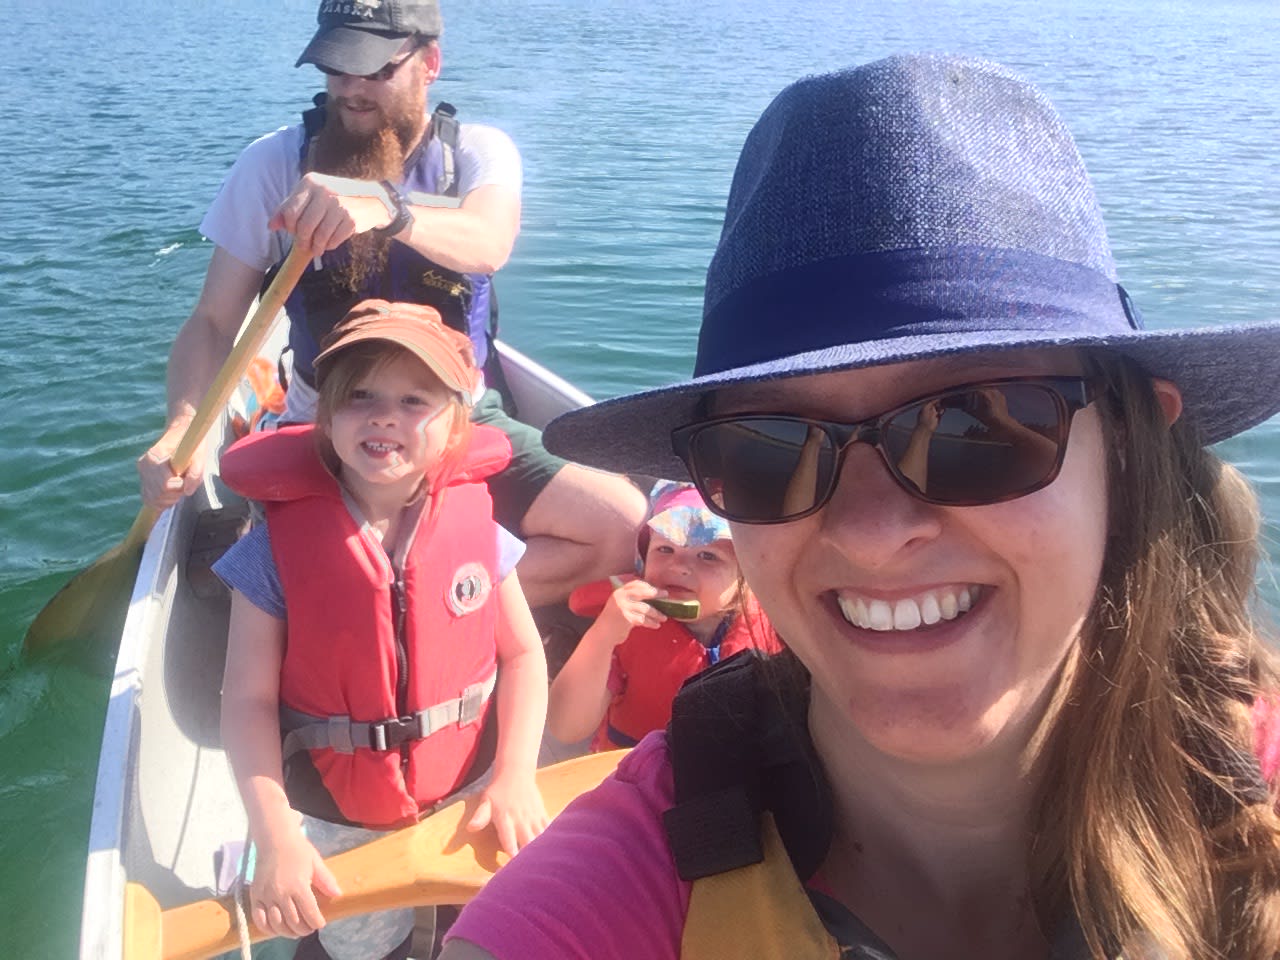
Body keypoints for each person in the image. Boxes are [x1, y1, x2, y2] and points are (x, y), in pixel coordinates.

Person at [437, 54, 1280, 960]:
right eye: (767, 448)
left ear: (1127, 450)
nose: (873, 536)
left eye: (974, 425)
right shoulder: (604, 897)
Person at [138, 0, 646, 607]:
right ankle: (393, 604)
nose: (351, 89)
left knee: (620, 527)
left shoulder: (475, 154)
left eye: (376, 70)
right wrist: (181, 427)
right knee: (290, 576)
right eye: (336, 68)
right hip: (326, 422)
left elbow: (489, 241)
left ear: (429, 63)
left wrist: (387, 208)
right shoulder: (274, 163)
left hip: (456, 415)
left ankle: (422, 609)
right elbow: (213, 322)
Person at [216, 300, 548, 960]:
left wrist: (515, 773)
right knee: (364, 950)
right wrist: (275, 833)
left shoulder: (481, 533)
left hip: (472, 791)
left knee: (480, 931)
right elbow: (247, 701)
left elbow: (524, 656)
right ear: (325, 415)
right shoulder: (272, 551)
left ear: (456, 423)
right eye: (359, 395)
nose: (383, 416)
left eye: (413, 400)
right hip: (343, 816)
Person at [548, 480, 781, 752]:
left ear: (745, 574)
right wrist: (602, 637)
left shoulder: (776, 626)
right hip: (640, 771)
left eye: (707, 555)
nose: (679, 566)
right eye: (665, 549)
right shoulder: (625, 624)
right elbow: (565, 728)